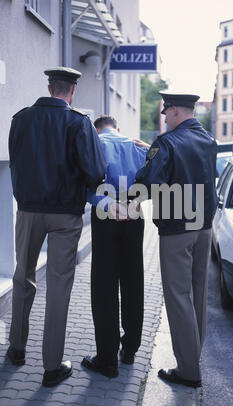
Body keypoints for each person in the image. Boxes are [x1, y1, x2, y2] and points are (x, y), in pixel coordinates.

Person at [7, 67, 107, 387]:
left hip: (28, 210)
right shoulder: (79, 122)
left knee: (23, 277)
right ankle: (52, 366)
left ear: (49, 87)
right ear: (72, 91)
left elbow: (15, 160)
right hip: (66, 214)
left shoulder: (20, 119)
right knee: (59, 287)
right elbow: (95, 170)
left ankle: (16, 349)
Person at [135, 91, 217, 388]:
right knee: (197, 294)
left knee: (178, 297)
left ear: (176, 112)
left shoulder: (166, 142)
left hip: (177, 229)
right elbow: (187, 166)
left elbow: (149, 180)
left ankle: (189, 372)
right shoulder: (208, 139)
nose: (164, 117)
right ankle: (193, 358)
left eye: (165, 112)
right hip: (204, 227)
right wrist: (154, 150)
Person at [81, 115, 149, 378]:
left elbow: (87, 185)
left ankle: (107, 359)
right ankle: (130, 349)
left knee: (104, 287)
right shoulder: (135, 146)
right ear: (117, 128)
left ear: (97, 130)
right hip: (133, 213)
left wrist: (108, 205)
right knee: (134, 280)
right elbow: (153, 179)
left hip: (107, 214)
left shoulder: (94, 144)